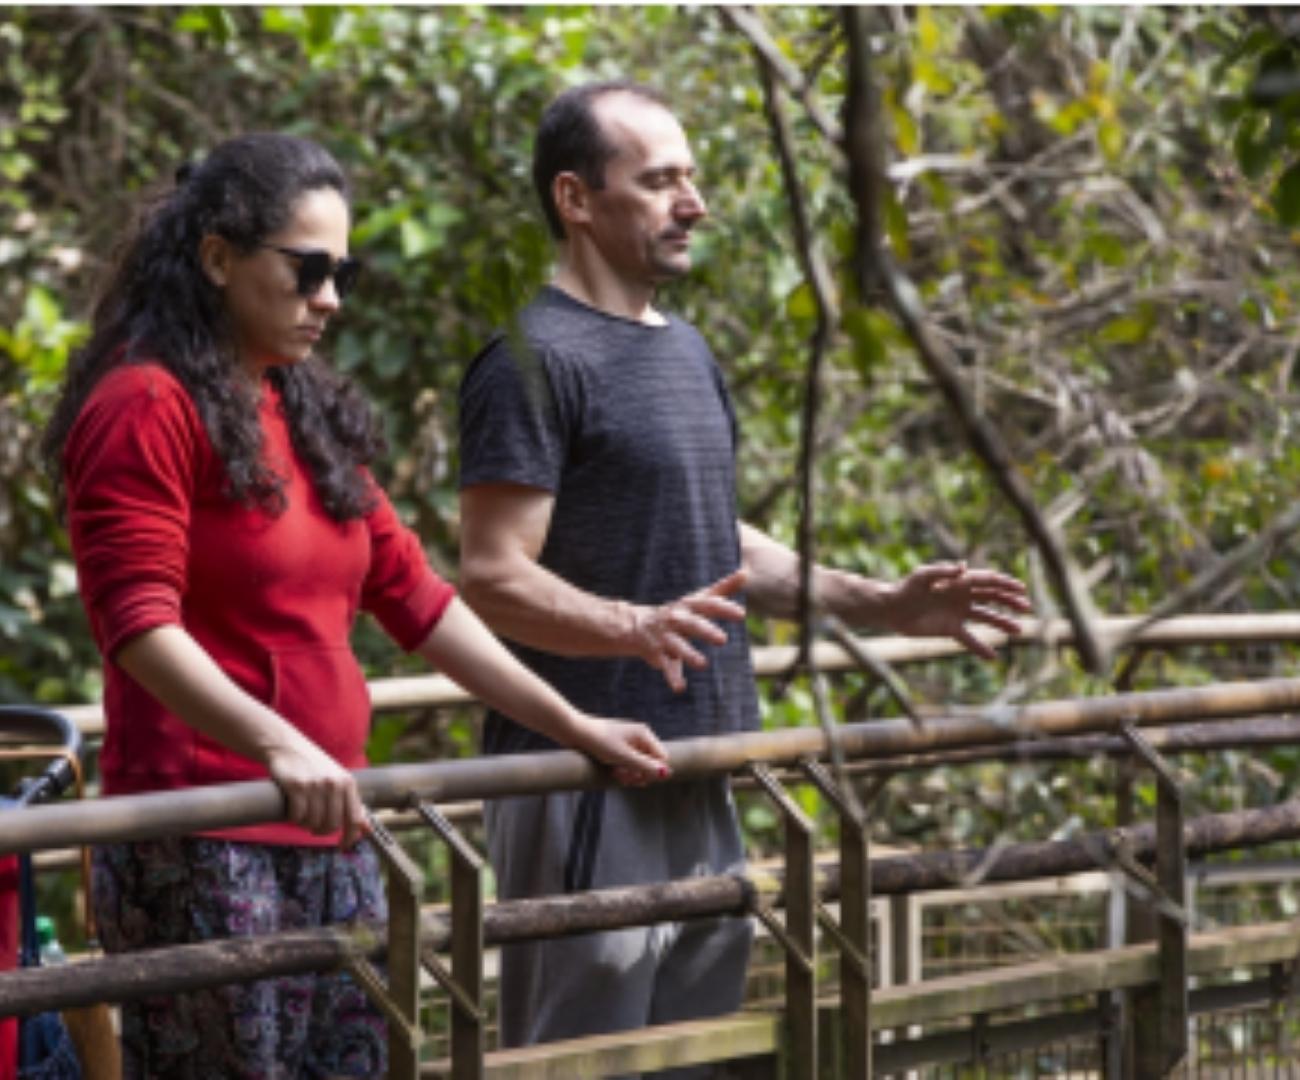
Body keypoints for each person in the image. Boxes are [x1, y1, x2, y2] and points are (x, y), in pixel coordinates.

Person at [41, 131, 669, 1079]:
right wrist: (278, 742)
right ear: (217, 258)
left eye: (343, 272)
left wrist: (571, 721)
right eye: (307, 271)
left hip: (330, 824)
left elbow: (417, 600)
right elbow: (137, 624)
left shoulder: (299, 406)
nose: (329, 298)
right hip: (206, 836)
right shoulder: (144, 404)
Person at [456, 81, 1032, 1063]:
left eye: (693, 178)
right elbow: (491, 574)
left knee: (695, 1053)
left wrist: (878, 603)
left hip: (706, 763)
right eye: (660, 181)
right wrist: (629, 628)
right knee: (579, 1059)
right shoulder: (531, 359)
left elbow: (715, 537)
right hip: (587, 768)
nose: (695, 203)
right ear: (576, 199)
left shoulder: (684, 351)